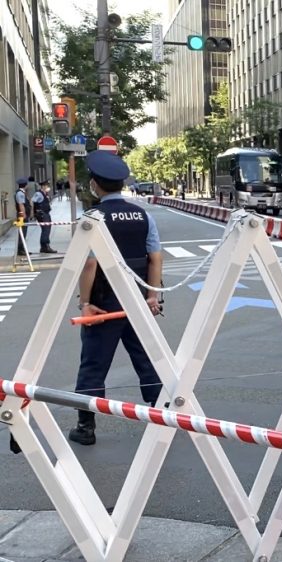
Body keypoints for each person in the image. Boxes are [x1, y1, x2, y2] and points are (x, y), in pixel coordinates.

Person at [68, 151, 165, 446]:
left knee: (93, 365)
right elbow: (155, 259)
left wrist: (85, 303)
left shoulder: (92, 219)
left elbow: (89, 264)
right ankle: (163, 416)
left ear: (95, 185)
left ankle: (86, 428)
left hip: (103, 304)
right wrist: (151, 296)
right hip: (138, 301)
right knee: (148, 360)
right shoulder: (142, 215)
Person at [31, 179, 57, 254]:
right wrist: (33, 213)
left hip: (45, 213)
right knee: (46, 230)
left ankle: (44, 247)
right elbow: (32, 201)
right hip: (42, 214)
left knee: (47, 229)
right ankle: (45, 246)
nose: (48, 187)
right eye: (47, 186)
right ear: (43, 186)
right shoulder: (38, 194)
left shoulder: (44, 193)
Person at [13, 177, 30, 256]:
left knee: (24, 232)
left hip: (22, 215)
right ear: (25, 185)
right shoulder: (20, 193)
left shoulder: (22, 192)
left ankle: (23, 249)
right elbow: (21, 204)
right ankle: (20, 250)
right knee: (22, 232)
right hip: (21, 216)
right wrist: (24, 215)